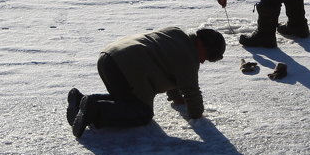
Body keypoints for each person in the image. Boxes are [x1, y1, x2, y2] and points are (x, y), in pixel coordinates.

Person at [67, 27, 225, 139]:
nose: (203, 61)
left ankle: (81, 100)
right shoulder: (189, 57)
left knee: (126, 101)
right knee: (141, 114)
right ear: (203, 45)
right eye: (207, 56)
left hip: (108, 58)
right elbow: (191, 91)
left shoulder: (176, 34)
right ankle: (94, 110)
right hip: (128, 67)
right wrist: (198, 118)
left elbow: (173, 72)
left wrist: (177, 98)